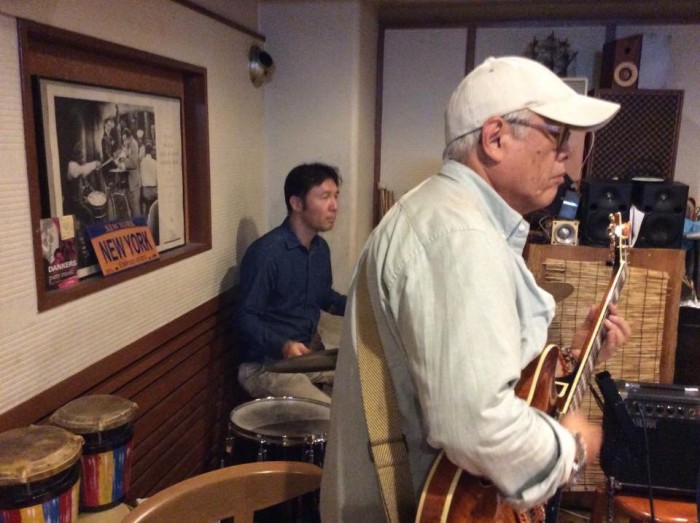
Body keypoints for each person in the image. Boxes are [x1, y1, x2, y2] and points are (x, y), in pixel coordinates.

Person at [320, 56, 631, 521]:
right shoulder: (460, 237)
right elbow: (477, 424)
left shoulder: (444, 215)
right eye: (557, 134)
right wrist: (570, 448)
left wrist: (575, 356)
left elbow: (474, 384)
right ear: (495, 138)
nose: (568, 153)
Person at [236, 163, 347, 404]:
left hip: (306, 357)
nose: (334, 206)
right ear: (296, 203)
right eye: (324, 197)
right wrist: (283, 345)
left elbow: (324, 295)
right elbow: (246, 318)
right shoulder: (267, 253)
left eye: (336, 196)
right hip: (265, 366)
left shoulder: (320, 249)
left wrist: (362, 309)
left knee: (366, 387)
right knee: (329, 415)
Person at [118, 127, 142, 217]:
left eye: (125, 140)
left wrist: (123, 159)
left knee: (136, 210)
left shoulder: (133, 144)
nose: (124, 142)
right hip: (131, 182)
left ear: (129, 137)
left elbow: (133, 163)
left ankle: (139, 224)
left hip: (134, 182)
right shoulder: (131, 144)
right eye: (123, 140)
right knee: (132, 210)